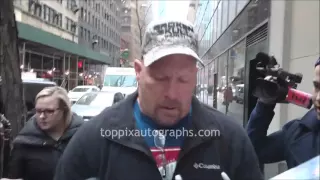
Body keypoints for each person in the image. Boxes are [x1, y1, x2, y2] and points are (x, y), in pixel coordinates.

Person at [54, 19, 263, 180]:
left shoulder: (230, 140)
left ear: (195, 75)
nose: (172, 93)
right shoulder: (94, 140)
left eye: (183, 79)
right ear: (138, 71)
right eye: (161, 78)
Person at [246, 57, 320, 170]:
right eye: (317, 86)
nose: (318, 98)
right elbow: (253, 150)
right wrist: (265, 105)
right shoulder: (297, 131)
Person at [3, 86, 83, 180]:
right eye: (38, 111)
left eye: (49, 111)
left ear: (64, 110)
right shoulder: (24, 142)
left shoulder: (83, 138)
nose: (42, 116)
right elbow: (14, 176)